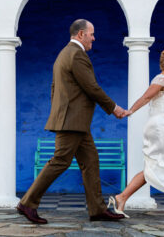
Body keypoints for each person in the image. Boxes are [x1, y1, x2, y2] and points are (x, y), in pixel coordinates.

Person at [17, 19, 126, 224]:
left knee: (91, 161)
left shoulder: (63, 54)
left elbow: (54, 89)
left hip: (75, 121)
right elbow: (91, 87)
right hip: (72, 121)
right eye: (91, 34)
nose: (94, 38)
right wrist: (114, 108)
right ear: (80, 34)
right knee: (60, 161)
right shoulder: (77, 55)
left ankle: (97, 209)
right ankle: (27, 203)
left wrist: (60, 113)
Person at [107, 45, 164, 219]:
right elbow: (146, 97)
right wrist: (130, 111)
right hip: (161, 127)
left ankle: (121, 198)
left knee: (155, 167)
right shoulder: (161, 80)